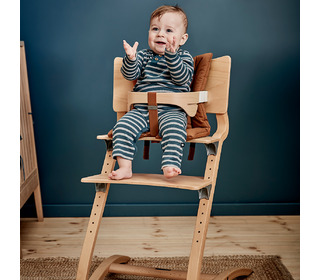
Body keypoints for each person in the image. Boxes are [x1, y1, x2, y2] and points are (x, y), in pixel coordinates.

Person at [109, 5, 194, 180]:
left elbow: (182, 79)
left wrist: (172, 56)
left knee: (176, 130)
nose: (160, 34)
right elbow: (129, 75)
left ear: (182, 38)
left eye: (168, 30)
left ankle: (170, 165)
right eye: (155, 29)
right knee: (122, 127)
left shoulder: (184, 57)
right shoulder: (144, 56)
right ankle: (125, 167)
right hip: (142, 110)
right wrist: (131, 59)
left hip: (172, 110)